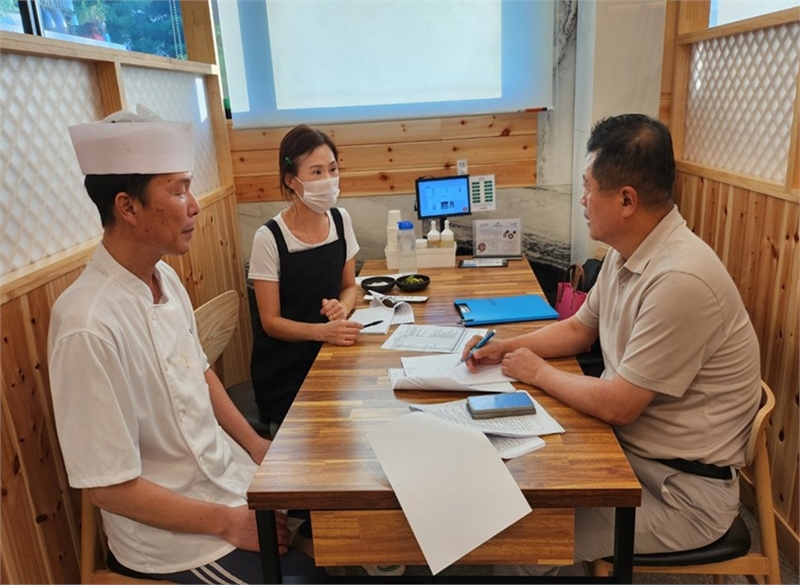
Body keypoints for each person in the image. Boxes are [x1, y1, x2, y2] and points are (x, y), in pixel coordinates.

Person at [464, 113, 761, 571]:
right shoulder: (628, 253)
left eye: (588, 188)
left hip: (679, 493)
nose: (582, 200)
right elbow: (578, 329)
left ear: (626, 199)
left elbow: (620, 405)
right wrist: (506, 346)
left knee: (522, 536)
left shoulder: (681, 279)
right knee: (510, 474)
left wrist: (536, 371)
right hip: (626, 452)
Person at [49, 105, 324, 584]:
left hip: (226, 481)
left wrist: (257, 445)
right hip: (174, 541)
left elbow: (199, 372)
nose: (194, 205)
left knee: (337, 532)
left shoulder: (165, 279)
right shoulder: (87, 324)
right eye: (178, 190)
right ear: (128, 207)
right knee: (309, 576)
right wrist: (230, 523)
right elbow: (108, 489)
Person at [248, 124, 362, 435]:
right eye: (316, 172)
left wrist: (342, 307)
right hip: (285, 373)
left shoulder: (341, 220)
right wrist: (322, 332)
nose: (328, 179)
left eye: (332, 169)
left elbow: (349, 286)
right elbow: (271, 322)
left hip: (332, 356)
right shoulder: (269, 237)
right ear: (291, 180)